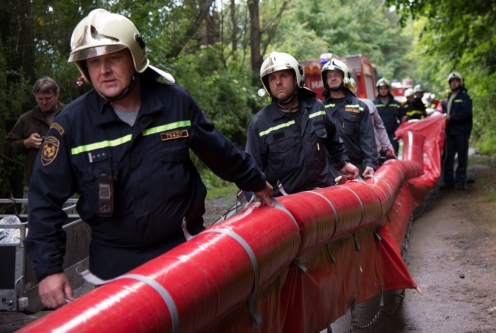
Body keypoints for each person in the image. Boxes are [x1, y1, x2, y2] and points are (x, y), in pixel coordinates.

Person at [24, 8, 274, 309]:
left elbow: (220, 152)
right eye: (93, 62)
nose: (103, 70)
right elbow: (44, 200)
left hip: (183, 252)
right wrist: (49, 269)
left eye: (112, 58)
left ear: (134, 58)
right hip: (114, 267)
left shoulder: (175, 104)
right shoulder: (70, 126)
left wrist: (257, 182)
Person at [246, 51, 358, 197]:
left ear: (296, 78)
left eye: (284, 76)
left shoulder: (317, 108)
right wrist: (253, 198)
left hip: (323, 196)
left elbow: (333, 141)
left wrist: (343, 163)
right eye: (272, 78)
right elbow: (252, 170)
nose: (278, 82)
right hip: (287, 205)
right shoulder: (259, 124)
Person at [4, 77, 65, 214]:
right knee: (30, 224)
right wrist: (26, 143)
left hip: (64, 182)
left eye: (48, 98)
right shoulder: (27, 119)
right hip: (34, 182)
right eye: (40, 99)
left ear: (57, 94)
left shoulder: (70, 114)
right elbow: (8, 146)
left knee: (66, 225)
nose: (44, 102)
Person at [320, 60, 378, 177]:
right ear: (325, 80)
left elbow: (367, 139)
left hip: (357, 166)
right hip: (330, 169)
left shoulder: (360, 107)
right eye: (329, 76)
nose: (333, 79)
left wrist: (370, 163)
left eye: (337, 75)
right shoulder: (320, 108)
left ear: (345, 77)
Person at [348, 77, 395, 165]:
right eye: (346, 87)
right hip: (351, 157)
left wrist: (387, 146)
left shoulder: (369, 104)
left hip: (373, 154)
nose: (349, 89)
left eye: (351, 86)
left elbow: (379, 127)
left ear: (355, 88)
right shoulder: (337, 108)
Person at [440, 71, 472, 191]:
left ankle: (460, 182)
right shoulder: (449, 98)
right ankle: (449, 182)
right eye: (452, 81)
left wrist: (451, 117)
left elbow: (466, 113)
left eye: (456, 81)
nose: (454, 83)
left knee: (462, 158)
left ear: (460, 82)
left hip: (461, 132)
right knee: (448, 158)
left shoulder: (464, 97)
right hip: (450, 133)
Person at [373, 78, 406, 155]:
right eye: (381, 88)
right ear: (378, 90)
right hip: (378, 136)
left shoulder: (396, 104)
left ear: (389, 89)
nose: (383, 90)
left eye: (385, 88)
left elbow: (402, 116)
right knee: (380, 158)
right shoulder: (373, 104)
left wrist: (403, 118)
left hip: (393, 135)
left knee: (392, 156)